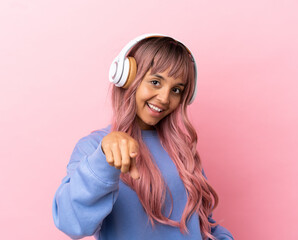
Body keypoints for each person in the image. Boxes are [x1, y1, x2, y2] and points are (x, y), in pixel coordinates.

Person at [52, 33, 234, 240]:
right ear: (126, 77)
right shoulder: (93, 148)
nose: (165, 98)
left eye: (176, 90)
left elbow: (203, 225)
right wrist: (103, 158)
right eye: (156, 82)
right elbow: (72, 224)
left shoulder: (182, 151)